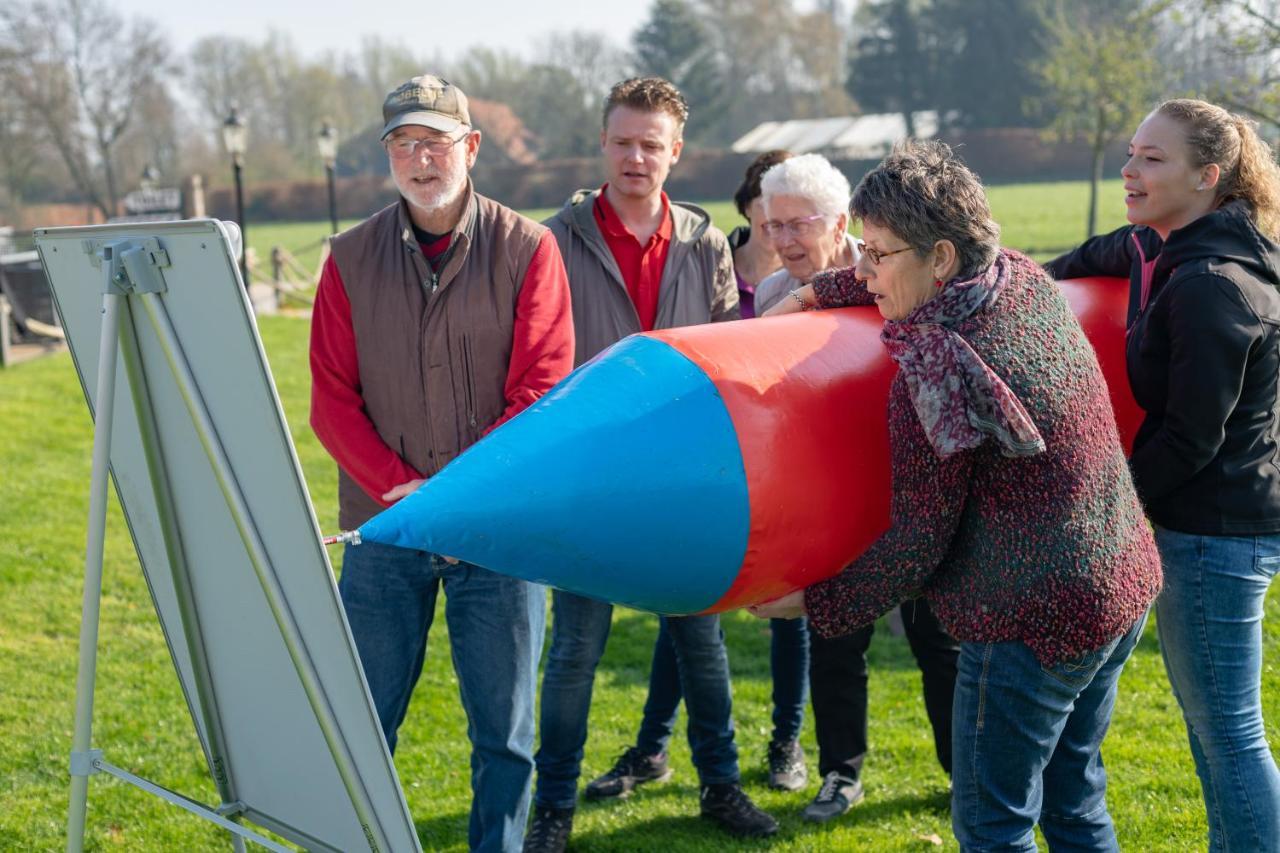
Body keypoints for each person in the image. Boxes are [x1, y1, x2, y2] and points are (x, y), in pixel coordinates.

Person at [754, 140, 1162, 851]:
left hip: (1032, 622)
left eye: (875, 256)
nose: (864, 270)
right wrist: (826, 288)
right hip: (1119, 581)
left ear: (939, 258)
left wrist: (818, 602)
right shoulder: (1019, 279)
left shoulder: (938, 366)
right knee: (1073, 801)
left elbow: (920, 539)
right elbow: (911, 276)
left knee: (992, 823)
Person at [309, 75, 574, 852]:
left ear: (472, 147)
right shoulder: (348, 258)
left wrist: (458, 499)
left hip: (498, 534)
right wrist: (407, 494)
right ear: (387, 152)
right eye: (403, 143)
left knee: (505, 736)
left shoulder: (529, 247)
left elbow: (542, 391)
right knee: (359, 723)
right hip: (384, 531)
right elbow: (331, 398)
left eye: (436, 141)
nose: (421, 158)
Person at [523, 77, 777, 853]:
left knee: (701, 644)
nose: (637, 156)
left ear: (675, 152)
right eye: (624, 141)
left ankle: (721, 786)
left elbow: (730, 356)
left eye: (652, 144)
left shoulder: (703, 242)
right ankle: (553, 807)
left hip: (681, 486)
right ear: (603, 143)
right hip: (586, 482)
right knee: (574, 652)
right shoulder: (552, 240)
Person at [1047, 98, 1280, 852]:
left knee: (1228, 732)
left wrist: (1113, 512)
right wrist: (1025, 286)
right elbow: (1105, 253)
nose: (1130, 169)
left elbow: (1191, 436)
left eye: (1153, 159)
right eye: (1130, 152)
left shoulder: (1212, 283)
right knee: (1218, 728)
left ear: (1208, 176)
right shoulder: (1169, 248)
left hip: (1218, 533)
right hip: (1206, 520)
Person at [757, 153, 958, 822]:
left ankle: (964, 768)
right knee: (836, 636)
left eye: (798, 224)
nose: (784, 241)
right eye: (771, 225)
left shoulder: (886, 267)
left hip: (918, 489)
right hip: (829, 498)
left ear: (840, 223)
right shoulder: (766, 297)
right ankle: (841, 773)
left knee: (939, 636)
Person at [634, 149, 814, 798]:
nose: (779, 226)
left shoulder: (812, 278)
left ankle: (786, 742)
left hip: (784, 465)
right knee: (688, 609)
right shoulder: (713, 260)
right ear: (749, 208)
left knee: (789, 613)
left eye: (795, 214)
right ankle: (650, 743)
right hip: (713, 464)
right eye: (770, 209)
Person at [727, 149, 792, 317]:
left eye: (789, 206)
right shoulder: (712, 265)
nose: (777, 218)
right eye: (766, 204)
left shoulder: (805, 276)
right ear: (747, 207)